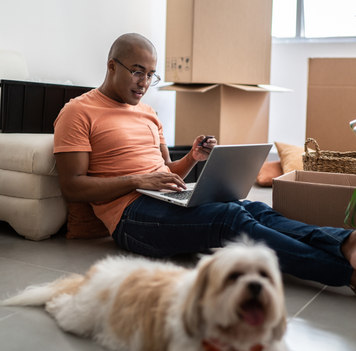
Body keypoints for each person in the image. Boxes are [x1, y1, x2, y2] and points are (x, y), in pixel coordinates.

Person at [54, 33, 356, 291]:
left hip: (164, 198)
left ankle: (345, 243)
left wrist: (192, 158)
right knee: (229, 219)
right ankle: (345, 272)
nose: (144, 82)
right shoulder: (78, 112)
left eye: (150, 74)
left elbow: (166, 172)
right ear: (111, 65)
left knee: (250, 207)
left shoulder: (148, 113)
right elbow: (72, 187)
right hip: (130, 219)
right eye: (137, 72)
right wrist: (136, 181)